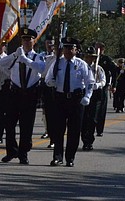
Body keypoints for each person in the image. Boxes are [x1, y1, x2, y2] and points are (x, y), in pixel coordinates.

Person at [40, 37, 93, 167]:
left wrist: (87, 96)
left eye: (71, 48)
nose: (68, 51)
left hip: (76, 99)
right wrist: (50, 82)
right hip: (60, 98)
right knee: (58, 130)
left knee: (74, 130)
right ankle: (57, 157)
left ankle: (70, 157)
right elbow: (47, 78)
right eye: (66, 48)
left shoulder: (81, 64)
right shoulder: (57, 63)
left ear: (76, 50)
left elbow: (90, 82)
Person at [0, 28, 44, 165]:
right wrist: (15, 56)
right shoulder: (16, 56)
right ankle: (11, 151)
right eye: (24, 39)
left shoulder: (37, 57)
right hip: (14, 92)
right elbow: (0, 63)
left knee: (26, 125)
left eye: (29, 39)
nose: (26, 42)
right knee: (9, 124)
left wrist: (26, 60)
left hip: (29, 93)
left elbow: (41, 69)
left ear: (34, 41)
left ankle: (23, 153)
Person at [80, 47, 106, 152]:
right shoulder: (80, 67)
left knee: (92, 119)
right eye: (87, 57)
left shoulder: (98, 68)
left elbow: (103, 80)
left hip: (95, 96)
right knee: (83, 119)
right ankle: (84, 140)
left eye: (91, 57)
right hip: (83, 93)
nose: (89, 59)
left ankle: (89, 141)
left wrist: (98, 84)